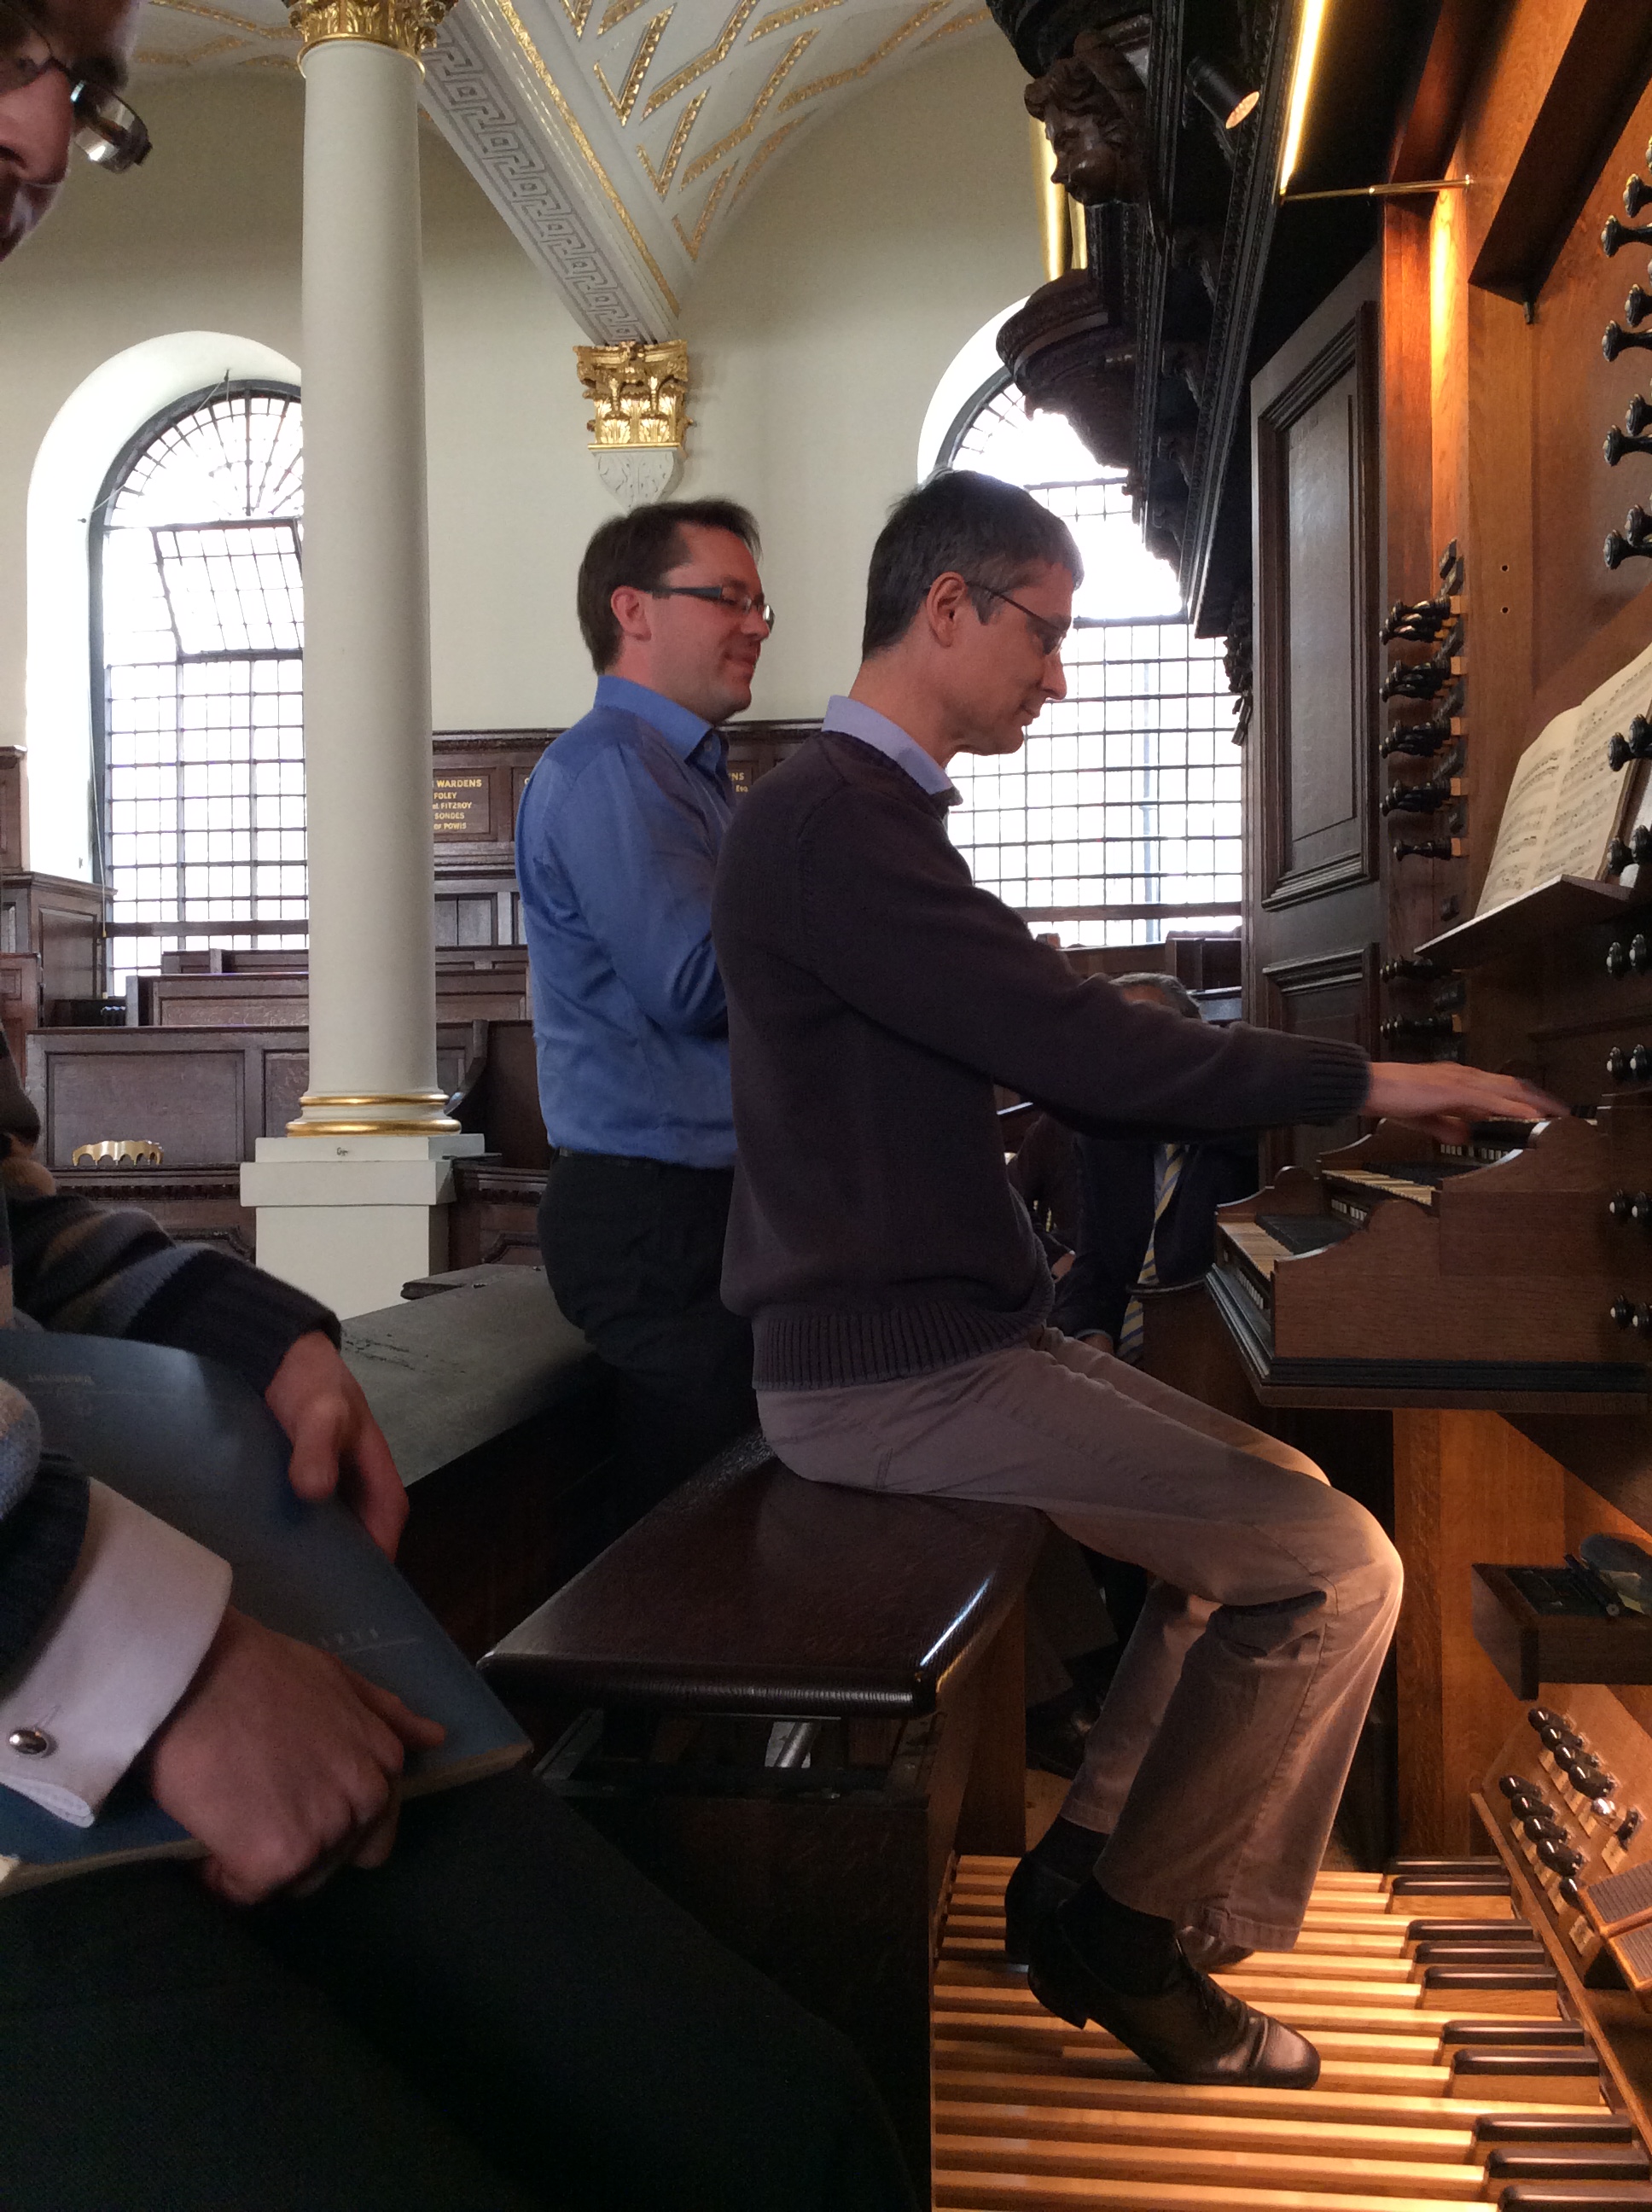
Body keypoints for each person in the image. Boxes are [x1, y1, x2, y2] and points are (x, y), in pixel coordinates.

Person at [0, 18, 916, 2206]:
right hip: (49, 1622)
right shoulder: (619, 785)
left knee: (776, 2132)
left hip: (82, 1508)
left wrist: (209, 1309)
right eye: (17, 36)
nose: (42, 127)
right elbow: (709, 987)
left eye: (78, 72)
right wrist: (121, 1649)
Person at [711, 469, 1561, 2090]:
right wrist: (1369, 1085)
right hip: (891, 1379)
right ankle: (1134, 1929)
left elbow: (1057, 1037)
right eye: (1043, 632)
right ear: (947, 605)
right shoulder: (828, 820)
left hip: (943, 1344)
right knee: (1333, 1561)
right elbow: (1070, 1040)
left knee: (1272, 1502)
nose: (1056, 671)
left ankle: (1087, 1872)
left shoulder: (857, 819)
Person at [516, 501, 770, 1517]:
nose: (754, 623)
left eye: (760, 604)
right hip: (655, 1215)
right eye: (729, 598)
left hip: (702, 1207)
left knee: (729, 1527)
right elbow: (696, 984)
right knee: (693, 1545)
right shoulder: (617, 767)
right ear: (634, 609)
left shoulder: (687, 774)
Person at [1052, 969, 1259, 1365]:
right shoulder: (1101, 1137)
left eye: (1146, 1035)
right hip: (1126, 1359)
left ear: (1196, 1040)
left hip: (1220, 1348)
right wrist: (1093, 1338)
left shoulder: (1244, 1128)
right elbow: (1095, 1263)